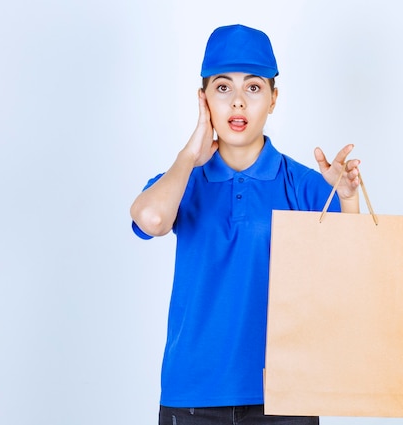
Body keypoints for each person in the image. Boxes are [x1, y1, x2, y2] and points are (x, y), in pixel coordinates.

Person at [130, 24, 361, 425]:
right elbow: (151, 219)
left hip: (286, 397)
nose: (238, 102)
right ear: (203, 100)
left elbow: (350, 266)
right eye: (223, 88)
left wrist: (347, 196)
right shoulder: (184, 180)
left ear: (273, 99)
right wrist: (189, 154)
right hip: (193, 394)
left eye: (253, 88)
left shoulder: (303, 182)